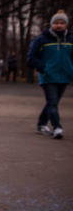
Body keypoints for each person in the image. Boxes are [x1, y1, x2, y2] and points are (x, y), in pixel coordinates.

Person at [28, 10, 72, 139]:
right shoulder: (41, 40)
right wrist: (43, 68)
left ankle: (41, 124)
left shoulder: (70, 39)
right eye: (56, 23)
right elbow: (32, 57)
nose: (59, 25)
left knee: (53, 102)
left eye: (62, 23)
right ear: (52, 24)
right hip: (48, 75)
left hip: (65, 75)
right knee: (53, 103)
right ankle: (57, 127)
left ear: (66, 25)